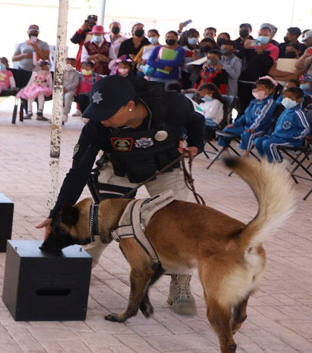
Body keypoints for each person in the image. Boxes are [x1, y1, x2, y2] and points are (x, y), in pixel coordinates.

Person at [35, 75, 206, 316]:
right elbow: (78, 172)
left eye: (107, 113)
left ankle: (180, 283)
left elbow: (197, 120)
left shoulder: (171, 105)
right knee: (99, 221)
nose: (101, 118)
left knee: (178, 227)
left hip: (166, 168)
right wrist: (56, 214)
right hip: (120, 169)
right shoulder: (97, 126)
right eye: (97, 112)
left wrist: (196, 145)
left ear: (130, 105)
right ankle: (81, 268)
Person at [218, 78, 277, 153]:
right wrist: (235, 124)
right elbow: (245, 115)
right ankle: (224, 150)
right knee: (227, 129)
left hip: (260, 129)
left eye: (262, 90)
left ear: (270, 90)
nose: (259, 92)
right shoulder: (254, 102)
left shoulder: (270, 103)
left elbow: (262, 117)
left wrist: (253, 127)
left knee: (247, 134)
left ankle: (245, 154)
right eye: (257, 90)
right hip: (246, 127)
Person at [253, 87, 309, 162]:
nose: (285, 99)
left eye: (289, 97)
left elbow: (306, 129)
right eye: (284, 97)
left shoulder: (298, 113)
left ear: (299, 100)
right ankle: (267, 162)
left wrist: (294, 137)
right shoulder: (286, 110)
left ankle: (278, 165)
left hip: (290, 141)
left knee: (269, 144)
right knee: (258, 141)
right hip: (277, 137)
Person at [62, 58, 80, 123]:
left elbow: (75, 83)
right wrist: (62, 88)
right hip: (62, 89)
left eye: (71, 63)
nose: (69, 64)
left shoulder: (76, 73)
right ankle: (58, 114)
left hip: (71, 90)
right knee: (59, 97)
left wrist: (67, 89)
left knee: (68, 97)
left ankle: (65, 114)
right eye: (68, 63)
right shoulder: (61, 72)